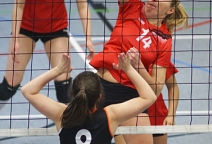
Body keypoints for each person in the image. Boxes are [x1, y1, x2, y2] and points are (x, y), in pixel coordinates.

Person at [89, 0, 188, 143]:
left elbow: (156, 88)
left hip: (130, 96)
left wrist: (139, 67)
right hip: (100, 90)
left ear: (170, 10)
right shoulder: (132, 7)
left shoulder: (164, 40)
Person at [21, 53, 157, 144]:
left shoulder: (62, 115)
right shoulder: (111, 116)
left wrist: (57, 70)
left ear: (73, 94)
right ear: (100, 96)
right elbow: (149, 97)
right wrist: (129, 69)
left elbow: (28, 91)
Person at [0, 0, 94, 103]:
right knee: (9, 86)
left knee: (64, 90)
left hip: (56, 27)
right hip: (26, 26)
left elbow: (83, 5)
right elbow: (18, 5)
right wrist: (15, 37)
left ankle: (68, 121)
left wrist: (88, 37)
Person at [114, 62, 179, 144]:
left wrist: (171, 115)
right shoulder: (121, 61)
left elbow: (173, 86)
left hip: (156, 117)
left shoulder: (160, 60)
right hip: (127, 117)